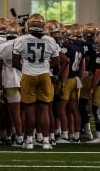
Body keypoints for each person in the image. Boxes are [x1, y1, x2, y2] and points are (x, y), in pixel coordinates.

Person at [12, 13, 61, 150]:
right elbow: (57, 61)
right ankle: (46, 141)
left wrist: (27, 68)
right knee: (44, 109)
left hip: (28, 75)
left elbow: (15, 62)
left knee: (30, 110)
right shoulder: (50, 40)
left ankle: (29, 141)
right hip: (44, 75)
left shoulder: (21, 40)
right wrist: (44, 67)